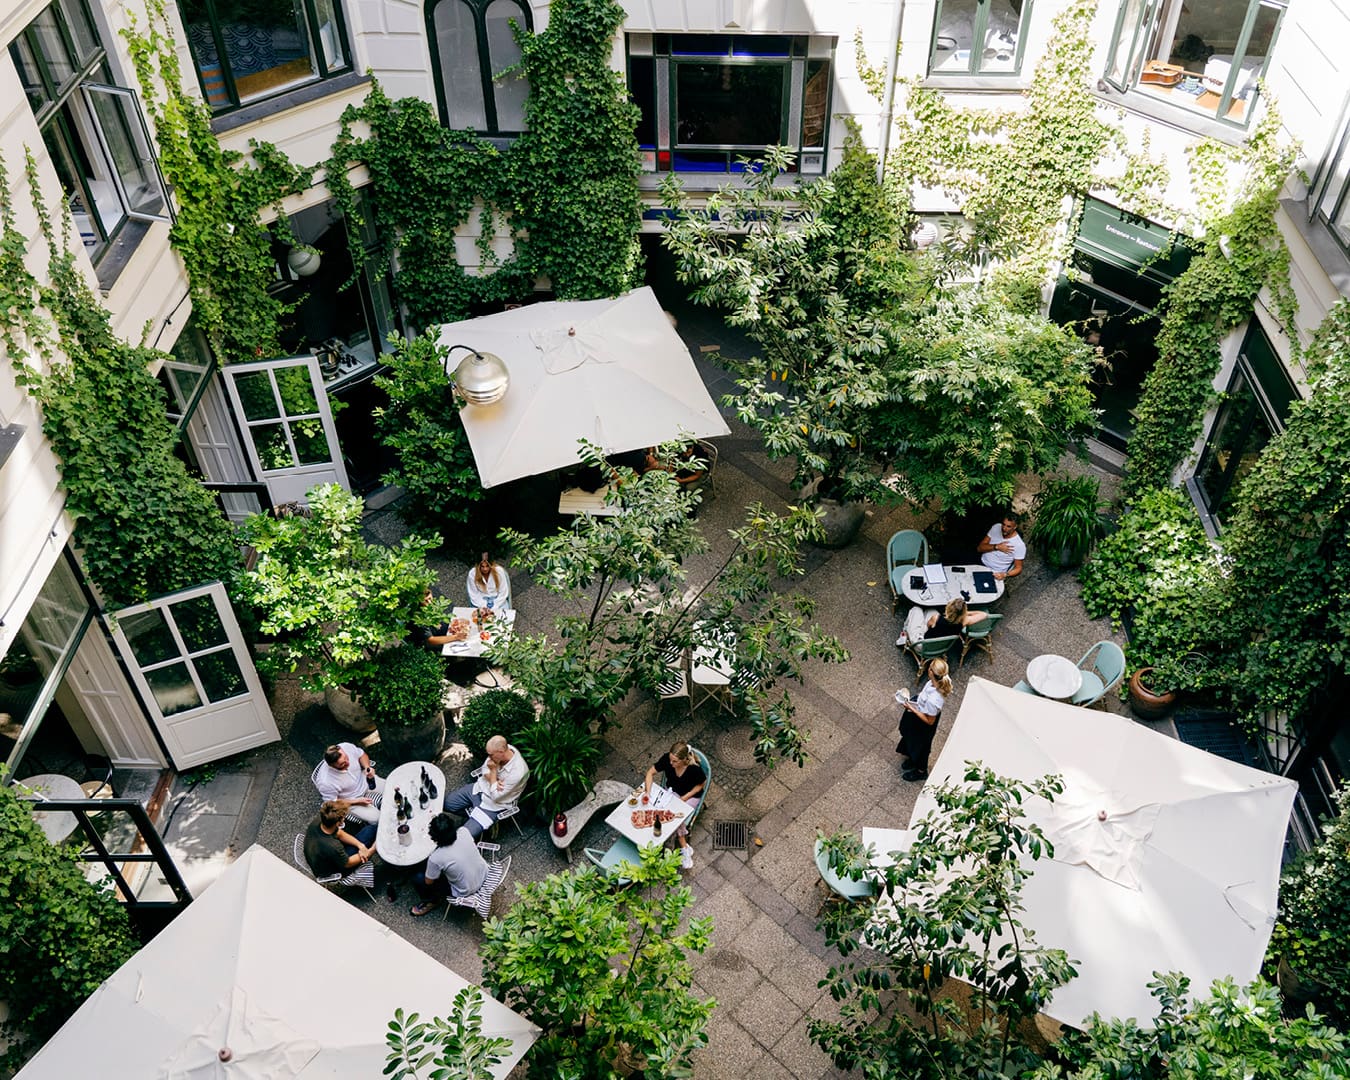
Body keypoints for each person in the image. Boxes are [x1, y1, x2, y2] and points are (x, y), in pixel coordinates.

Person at [443, 735, 529, 838]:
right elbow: (484, 769)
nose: (489, 757)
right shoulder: (502, 751)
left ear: (501, 752)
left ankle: (484, 821)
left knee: (464, 837)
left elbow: (496, 796)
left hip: (493, 805)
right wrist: (495, 780)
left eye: (491, 755)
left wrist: (493, 772)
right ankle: (474, 814)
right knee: (447, 804)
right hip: (479, 788)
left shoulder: (518, 773)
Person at [410, 811, 489, 916]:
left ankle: (431, 901)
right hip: (484, 873)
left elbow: (429, 882)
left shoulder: (436, 857)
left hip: (465, 890)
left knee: (418, 877)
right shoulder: (464, 831)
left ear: (434, 837)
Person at [644, 741, 706, 871]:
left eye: (675, 761)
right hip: (672, 792)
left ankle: (683, 847)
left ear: (684, 759)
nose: (671, 764)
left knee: (673, 817)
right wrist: (647, 793)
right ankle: (685, 847)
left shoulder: (694, 769)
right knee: (667, 816)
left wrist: (686, 797)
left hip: (690, 797)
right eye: (671, 760)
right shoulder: (667, 759)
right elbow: (650, 773)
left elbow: (701, 785)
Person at [895, 658, 953, 783]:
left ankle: (921, 771)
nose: (928, 669)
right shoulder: (933, 683)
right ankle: (912, 757)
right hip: (919, 711)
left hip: (923, 724)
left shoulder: (934, 700)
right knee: (911, 740)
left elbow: (930, 721)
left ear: (932, 672)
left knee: (921, 747)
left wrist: (912, 708)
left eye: (930, 667)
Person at [303, 799, 376, 878]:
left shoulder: (320, 821)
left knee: (368, 831)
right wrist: (371, 850)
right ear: (338, 823)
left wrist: (360, 845)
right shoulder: (334, 846)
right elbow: (348, 863)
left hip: (320, 857)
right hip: (333, 871)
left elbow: (339, 833)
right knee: (371, 832)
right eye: (344, 818)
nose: (344, 819)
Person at [314, 742, 384, 824]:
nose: (348, 763)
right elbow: (332, 803)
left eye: (346, 758)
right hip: (351, 800)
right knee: (377, 819)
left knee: (392, 788)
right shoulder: (325, 782)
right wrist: (357, 801)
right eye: (342, 764)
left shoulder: (346, 747)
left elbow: (361, 755)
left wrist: (367, 767)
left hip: (365, 779)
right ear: (331, 765)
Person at [901, 596, 989, 645]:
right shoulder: (964, 621)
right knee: (930, 610)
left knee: (916, 609)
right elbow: (984, 615)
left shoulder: (936, 618)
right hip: (942, 646)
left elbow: (927, 626)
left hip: (923, 644)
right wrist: (964, 614)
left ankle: (904, 634)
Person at [977, 511, 1026, 581]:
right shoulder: (996, 527)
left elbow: (1018, 568)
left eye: (1008, 526)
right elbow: (980, 548)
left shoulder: (1019, 545)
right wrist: (996, 547)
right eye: (1003, 524)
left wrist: (1005, 574)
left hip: (996, 572)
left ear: (1015, 527)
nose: (1004, 528)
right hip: (981, 563)